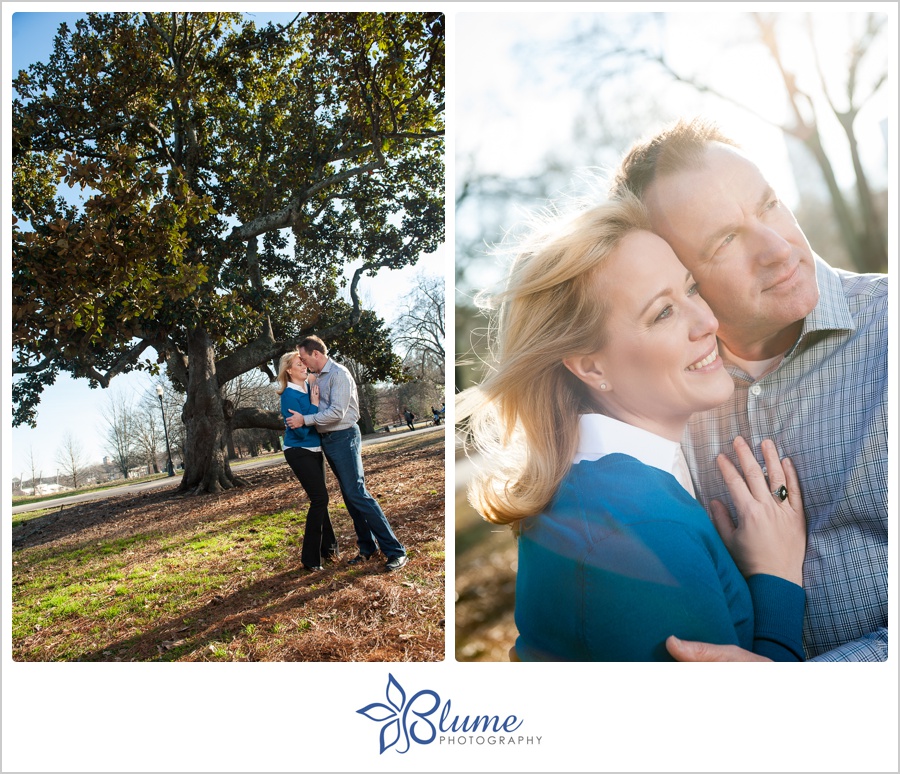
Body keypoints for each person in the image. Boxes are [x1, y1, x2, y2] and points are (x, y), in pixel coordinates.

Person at [461, 192, 807, 661]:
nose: (706, 320)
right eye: (662, 312)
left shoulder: (601, 488)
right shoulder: (636, 528)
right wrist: (777, 578)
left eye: (690, 289)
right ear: (591, 367)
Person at [611, 117, 887, 662]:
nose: (779, 248)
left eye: (768, 204)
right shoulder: (657, 405)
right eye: (724, 241)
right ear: (678, 277)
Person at [286, 335, 409, 572]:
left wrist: (305, 420)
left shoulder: (339, 374)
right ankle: (367, 548)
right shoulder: (317, 378)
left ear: (316, 354)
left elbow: (337, 413)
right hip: (328, 441)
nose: (302, 362)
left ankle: (395, 550)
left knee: (358, 493)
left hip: (344, 437)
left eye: (303, 358)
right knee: (349, 496)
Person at [275, 351, 338, 572]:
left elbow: (310, 421)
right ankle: (310, 558)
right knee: (320, 498)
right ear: (289, 370)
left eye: (304, 363)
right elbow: (300, 431)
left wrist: (311, 406)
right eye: (298, 364)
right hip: (298, 450)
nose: (304, 366)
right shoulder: (289, 396)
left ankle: (329, 550)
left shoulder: (310, 387)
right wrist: (313, 405)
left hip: (315, 449)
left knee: (320, 498)